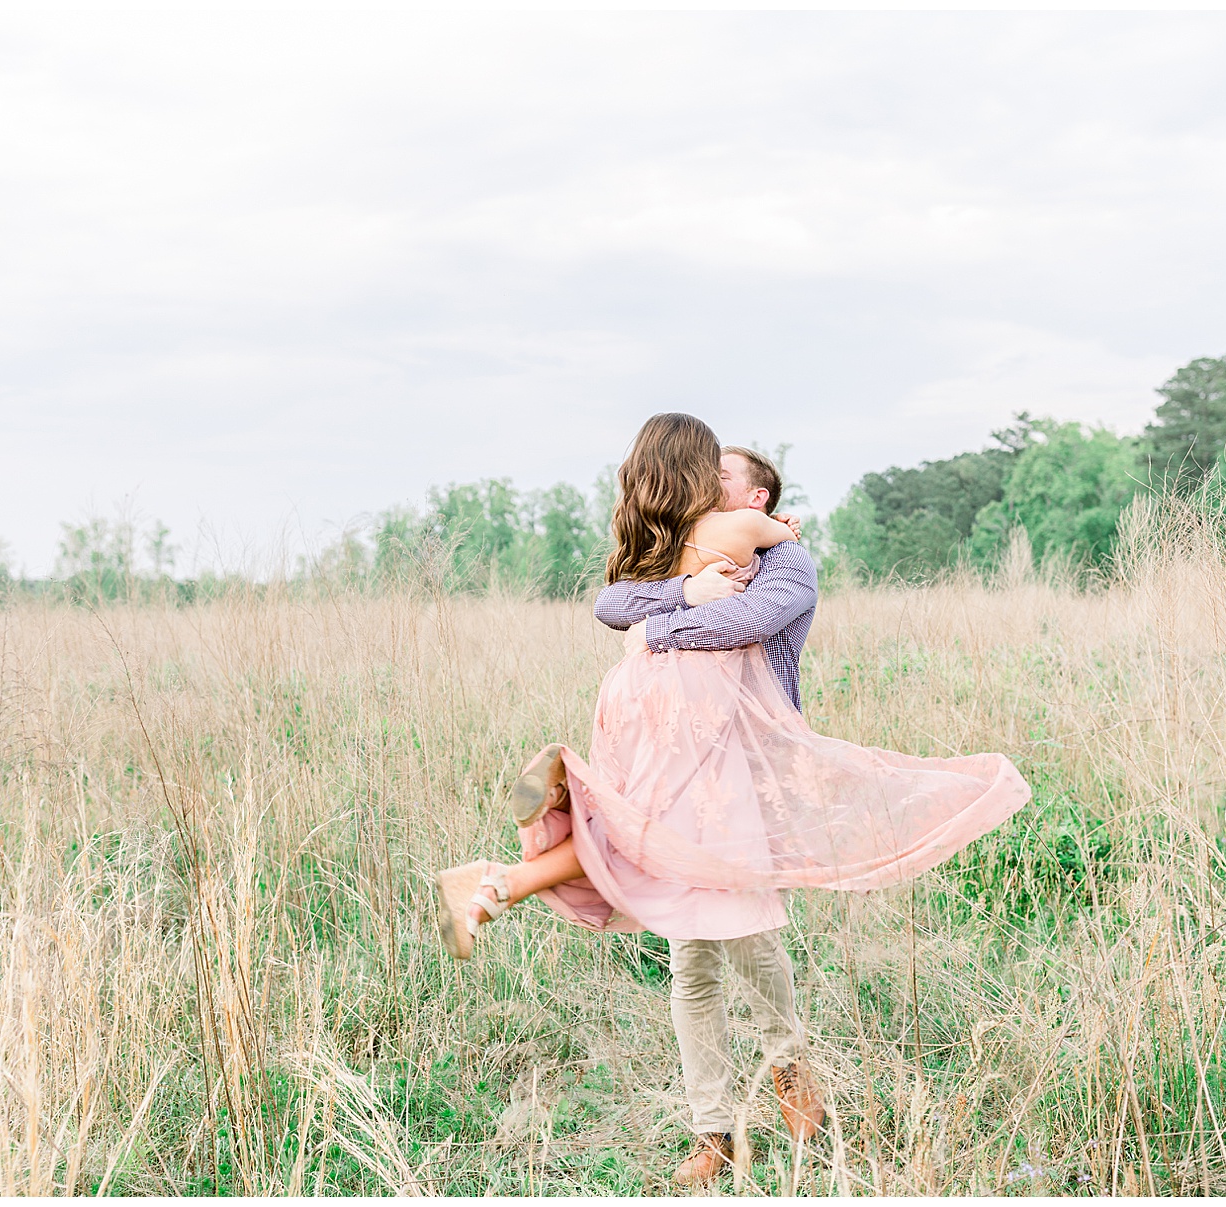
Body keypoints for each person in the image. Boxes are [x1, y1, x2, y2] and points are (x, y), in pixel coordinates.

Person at [432, 413, 1031, 1187]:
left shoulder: (788, 561)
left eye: (726, 478)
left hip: (743, 768)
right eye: (704, 475)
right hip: (679, 753)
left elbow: (740, 621)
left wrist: (659, 629)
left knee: (749, 934)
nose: (710, 486)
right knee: (692, 955)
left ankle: (788, 1075)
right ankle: (715, 1130)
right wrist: (674, 593)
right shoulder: (685, 551)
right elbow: (612, 601)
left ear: (758, 495)